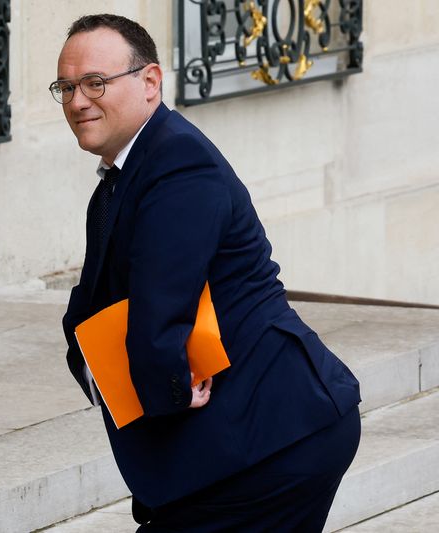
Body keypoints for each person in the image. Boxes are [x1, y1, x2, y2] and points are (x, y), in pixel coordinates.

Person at [55, 14, 362, 532]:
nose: (78, 100)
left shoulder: (178, 164)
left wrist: (168, 390)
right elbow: (90, 308)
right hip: (238, 444)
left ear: (150, 82)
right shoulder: (129, 172)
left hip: (275, 436)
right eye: (66, 87)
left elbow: (159, 309)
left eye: (95, 83)